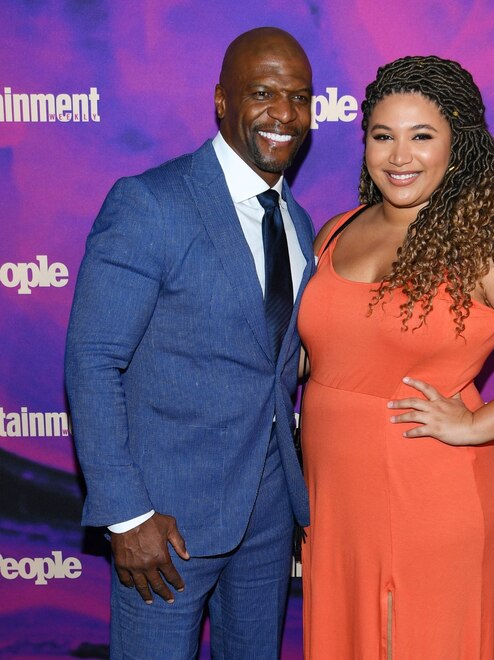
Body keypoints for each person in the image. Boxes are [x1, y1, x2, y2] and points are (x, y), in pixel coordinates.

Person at [297, 56, 494, 659]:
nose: (399, 156)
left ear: (458, 144)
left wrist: (475, 424)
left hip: (428, 490)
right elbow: (322, 354)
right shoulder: (337, 229)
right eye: (383, 136)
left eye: (422, 136)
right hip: (334, 498)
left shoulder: (486, 244)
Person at [65, 27, 314, 659]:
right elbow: (93, 361)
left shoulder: (297, 221)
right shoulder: (152, 202)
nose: (284, 113)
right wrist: (126, 513)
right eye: (263, 93)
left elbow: (272, 361)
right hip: (164, 522)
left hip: (268, 516)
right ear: (222, 100)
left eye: (299, 97)